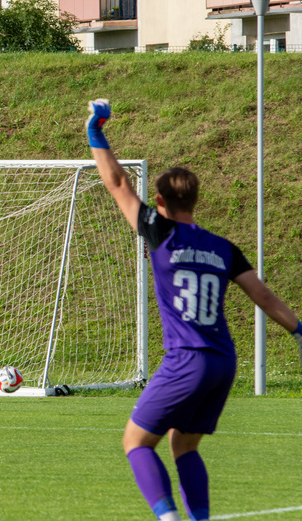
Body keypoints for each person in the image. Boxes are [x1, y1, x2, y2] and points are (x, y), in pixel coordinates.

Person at [85, 99, 302, 521]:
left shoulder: (160, 232)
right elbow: (264, 297)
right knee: (183, 446)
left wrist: (97, 130)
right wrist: (299, 331)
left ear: (161, 201)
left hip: (186, 359)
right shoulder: (223, 247)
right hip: (223, 361)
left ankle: (167, 518)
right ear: (195, 201)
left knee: (135, 442)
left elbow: (116, 183)